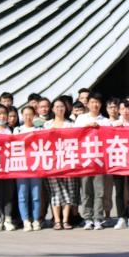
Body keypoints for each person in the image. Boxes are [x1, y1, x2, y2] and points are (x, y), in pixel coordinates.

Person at [76, 93, 111, 230]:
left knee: (99, 192)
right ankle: (87, 218)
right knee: (86, 191)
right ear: (88, 104)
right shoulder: (81, 119)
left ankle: (98, 218)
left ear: (100, 105)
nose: (95, 105)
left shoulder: (105, 121)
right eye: (92, 102)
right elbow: (74, 134)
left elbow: (110, 137)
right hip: (85, 161)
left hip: (100, 162)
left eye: (97, 102)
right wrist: (87, 127)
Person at [46, 96, 78, 230]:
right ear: (53, 109)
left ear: (65, 109)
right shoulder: (47, 125)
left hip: (68, 162)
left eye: (62, 106)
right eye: (57, 107)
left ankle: (65, 220)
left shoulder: (71, 124)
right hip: (52, 163)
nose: (59, 109)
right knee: (55, 192)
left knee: (69, 191)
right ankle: (57, 220)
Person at [109, 101, 129, 229]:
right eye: (123, 109)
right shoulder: (114, 124)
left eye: (128, 108)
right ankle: (121, 217)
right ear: (119, 111)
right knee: (119, 191)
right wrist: (115, 128)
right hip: (118, 161)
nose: (125, 111)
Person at [0, 104, 18, 232]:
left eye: (4, 113)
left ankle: (8, 218)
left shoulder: (11, 130)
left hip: (10, 167)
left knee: (9, 193)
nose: (2, 116)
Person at [13, 105, 42, 230]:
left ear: (34, 115)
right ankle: (25, 220)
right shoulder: (18, 130)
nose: (28, 117)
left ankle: (36, 220)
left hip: (36, 166)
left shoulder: (39, 129)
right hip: (21, 166)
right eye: (25, 115)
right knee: (22, 195)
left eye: (30, 114)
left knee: (36, 195)